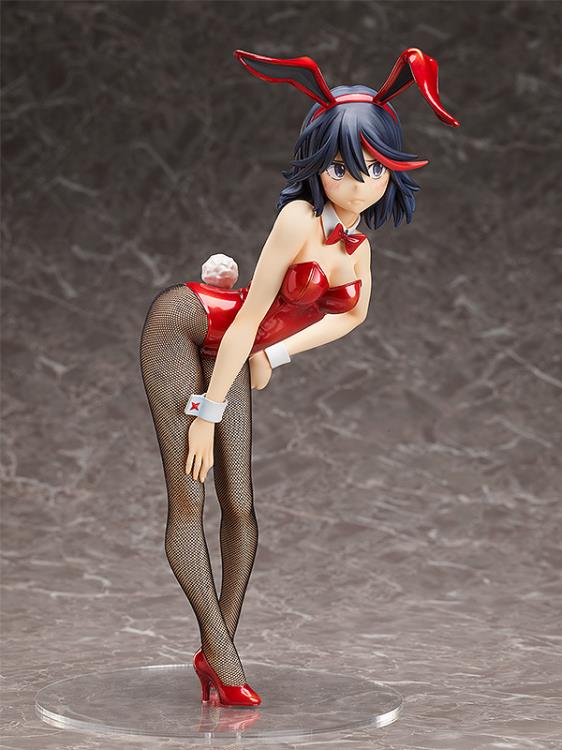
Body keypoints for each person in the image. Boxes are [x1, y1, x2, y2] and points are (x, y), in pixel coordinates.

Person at [139, 47, 460, 707]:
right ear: (319, 165)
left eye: (374, 167)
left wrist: (277, 356)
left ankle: (216, 653)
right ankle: (224, 659)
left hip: (239, 352)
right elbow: (249, 314)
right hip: (188, 327)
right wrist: (205, 413)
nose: (359, 182)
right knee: (189, 500)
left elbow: (352, 317)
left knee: (242, 509)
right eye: (342, 167)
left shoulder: (358, 247)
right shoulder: (297, 219)